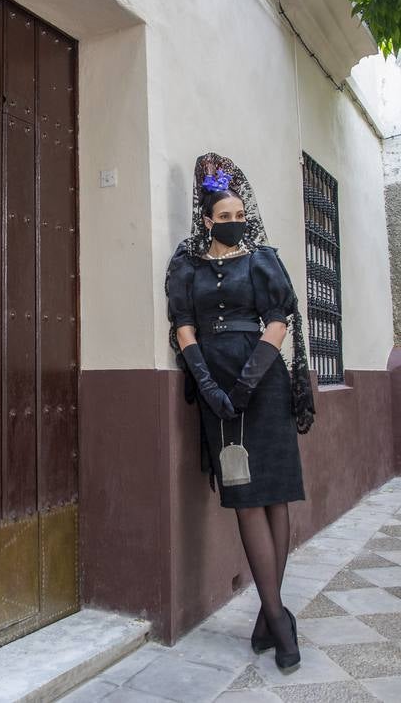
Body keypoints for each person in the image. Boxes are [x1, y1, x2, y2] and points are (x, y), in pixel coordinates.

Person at [165, 152, 316, 674]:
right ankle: (279, 620)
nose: (233, 224)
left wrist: (250, 381)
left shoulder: (263, 260)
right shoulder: (186, 267)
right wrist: (208, 384)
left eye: (238, 216)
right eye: (223, 217)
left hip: (266, 386)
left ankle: (271, 619)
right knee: (247, 500)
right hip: (217, 393)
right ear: (207, 220)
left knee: (275, 498)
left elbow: (278, 321)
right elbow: (184, 325)